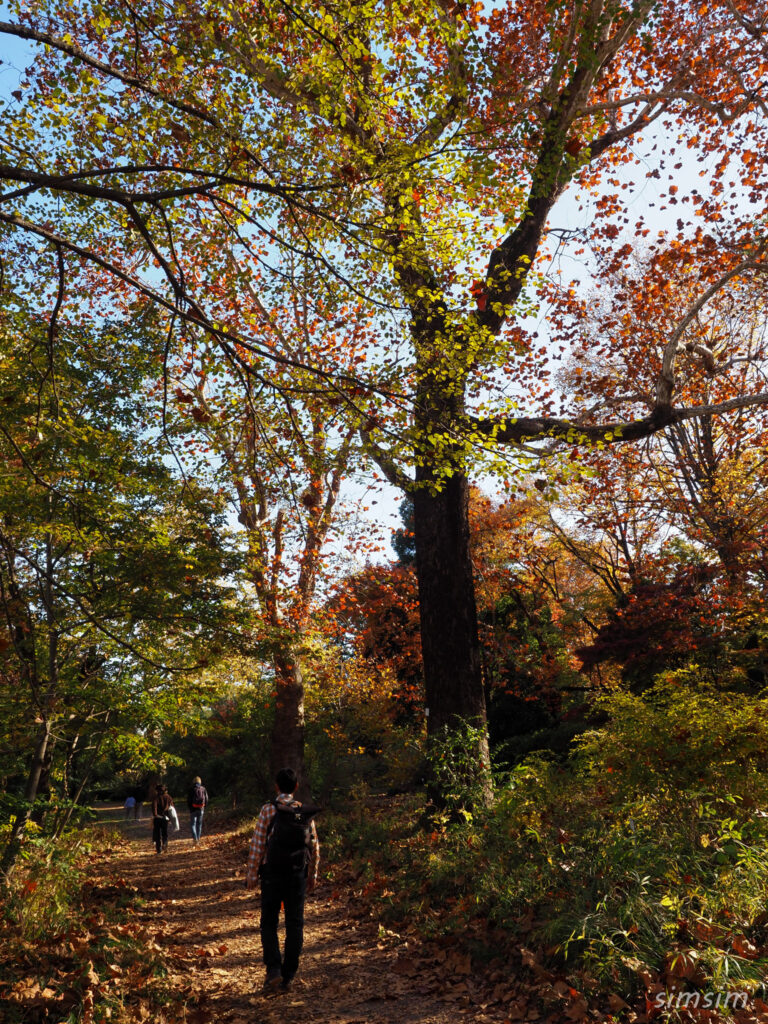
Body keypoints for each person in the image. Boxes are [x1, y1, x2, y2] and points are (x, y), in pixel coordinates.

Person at [246, 767, 320, 993]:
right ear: (296, 787)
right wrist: (313, 873)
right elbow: (314, 844)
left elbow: (258, 844)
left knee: (269, 922)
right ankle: (288, 975)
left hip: (272, 873)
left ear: (276, 787)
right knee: (294, 923)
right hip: (297, 873)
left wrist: (251, 873)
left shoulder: (268, 810)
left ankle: (274, 970)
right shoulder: (302, 811)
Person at [151, 783, 174, 854]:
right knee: (165, 833)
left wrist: (155, 814)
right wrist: (170, 817)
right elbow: (172, 808)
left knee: (157, 834)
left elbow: (154, 807)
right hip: (165, 818)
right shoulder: (169, 797)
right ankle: (165, 844)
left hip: (157, 818)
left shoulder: (156, 798)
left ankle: (159, 850)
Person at [187, 775, 209, 844]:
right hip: (201, 808)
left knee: (193, 824)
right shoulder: (203, 789)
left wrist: (190, 808)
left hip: (193, 809)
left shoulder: (191, 789)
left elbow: (189, 800)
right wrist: (204, 807)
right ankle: (198, 839)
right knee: (199, 824)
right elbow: (207, 799)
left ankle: (195, 839)